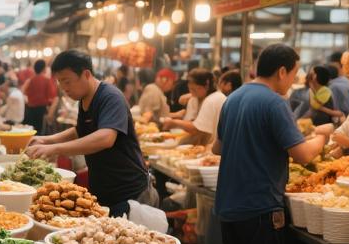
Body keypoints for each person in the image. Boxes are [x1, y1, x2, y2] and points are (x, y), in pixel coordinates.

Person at [214, 44, 328, 244]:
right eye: (294, 73)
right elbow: (302, 155)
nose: (292, 80)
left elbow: (216, 147)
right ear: (281, 71)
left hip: (229, 210)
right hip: (261, 211)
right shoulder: (275, 102)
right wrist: (322, 137)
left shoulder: (233, 98)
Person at [26, 49, 153, 217]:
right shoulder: (85, 99)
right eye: (60, 82)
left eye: (67, 81)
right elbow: (81, 130)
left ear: (86, 74)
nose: (64, 88)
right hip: (105, 190)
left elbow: (106, 138)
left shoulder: (110, 96)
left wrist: (55, 149)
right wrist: (47, 140)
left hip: (130, 193)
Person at [162, 69, 222, 145]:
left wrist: (174, 123)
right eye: (190, 87)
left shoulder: (214, 99)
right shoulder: (194, 98)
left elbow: (198, 129)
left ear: (206, 84)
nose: (191, 91)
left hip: (213, 147)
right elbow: (190, 122)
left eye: (194, 89)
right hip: (199, 146)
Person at [22, 59, 57, 134]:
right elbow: (52, 97)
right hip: (41, 111)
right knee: (39, 133)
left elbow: (23, 91)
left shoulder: (30, 80)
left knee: (30, 132)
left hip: (30, 110)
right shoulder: (47, 80)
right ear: (44, 68)